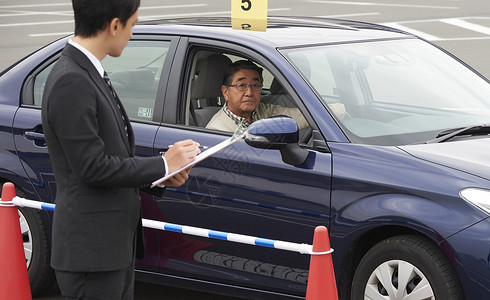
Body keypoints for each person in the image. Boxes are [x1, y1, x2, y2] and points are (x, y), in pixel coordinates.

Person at [41, 1, 200, 299]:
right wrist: (163, 164)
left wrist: (160, 175)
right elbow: (91, 167)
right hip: (91, 252)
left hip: (109, 249)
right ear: (115, 25)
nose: (132, 33)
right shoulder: (71, 79)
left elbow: (111, 158)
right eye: (133, 24)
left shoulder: (86, 71)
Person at [206, 60, 345, 132]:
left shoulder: (264, 111)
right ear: (225, 92)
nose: (249, 93)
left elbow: (301, 117)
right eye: (241, 86)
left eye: (255, 85)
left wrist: (337, 110)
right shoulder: (217, 130)